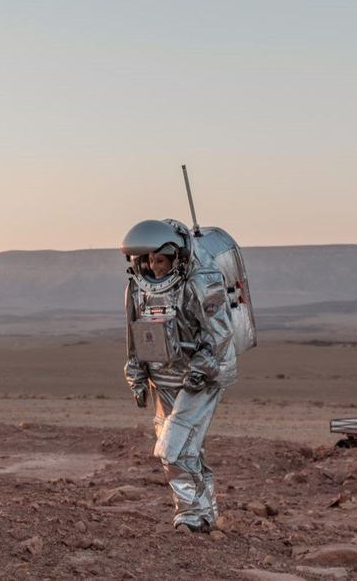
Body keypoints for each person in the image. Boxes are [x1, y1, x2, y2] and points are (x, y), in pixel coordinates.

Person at [120, 218, 238, 533]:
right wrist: (136, 376)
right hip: (161, 378)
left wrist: (200, 370)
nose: (154, 267)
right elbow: (134, 336)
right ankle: (206, 514)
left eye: (161, 260)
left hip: (199, 378)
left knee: (174, 449)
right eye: (150, 260)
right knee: (187, 450)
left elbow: (219, 335)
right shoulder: (137, 288)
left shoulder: (201, 283)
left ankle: (190, 517)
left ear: (177, 257)